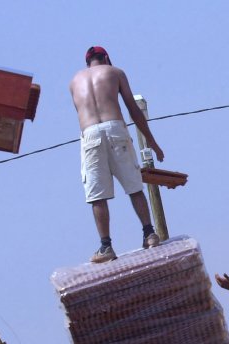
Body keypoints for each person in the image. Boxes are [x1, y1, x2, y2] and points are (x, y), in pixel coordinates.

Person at [69, 46, 166, 263]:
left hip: (90, 133)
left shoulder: (74, 81)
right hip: (115, 129)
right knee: (134, 187)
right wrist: (152, 142)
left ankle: (106, 247)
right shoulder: (115, 72)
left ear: (88, 63)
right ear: (105, 58)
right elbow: (133, 108)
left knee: (97, 196)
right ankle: (149, 233)